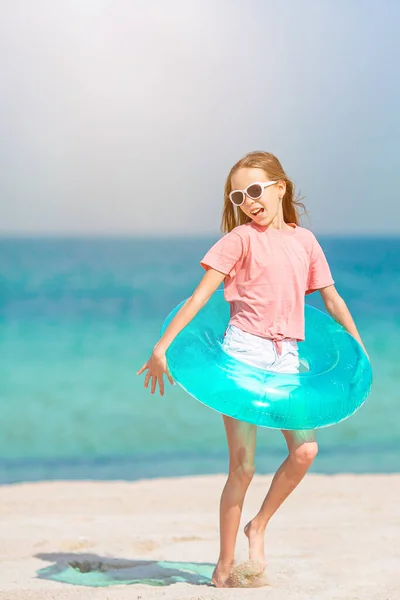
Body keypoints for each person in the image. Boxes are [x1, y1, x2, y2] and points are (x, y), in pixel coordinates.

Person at [137, 151, 367, 588]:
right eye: (239, 195)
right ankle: (224, 566)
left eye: (255, 190)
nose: (248, 201)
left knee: (305, 451)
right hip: (243, 354)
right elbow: (200, 296)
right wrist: (162, 346)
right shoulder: (239, 239)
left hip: (287, 357)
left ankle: (257, 526)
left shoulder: (306, 242)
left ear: (280, 187)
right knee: (242, 467)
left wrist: (358, 349)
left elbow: (331, 300)